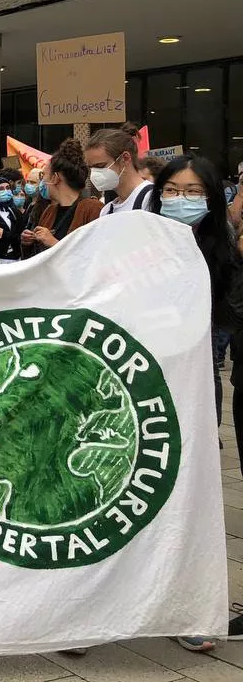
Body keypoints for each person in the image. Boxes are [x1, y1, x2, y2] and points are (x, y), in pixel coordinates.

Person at [150, 156, 236, 653]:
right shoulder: (137, 243)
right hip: (139, 381)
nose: (183, 199)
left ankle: (190, 605)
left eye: (194, 190)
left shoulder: (222, 251)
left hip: (196, 382)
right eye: (173, 189)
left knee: (191, 493)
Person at [20, 139, 101, 258]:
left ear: (55, 178)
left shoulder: (93, 209)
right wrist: (28, 243)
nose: (42, 182)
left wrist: (54, 243)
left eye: (44, 175)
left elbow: (96, 257)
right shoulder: (49, 211)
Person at [86, 126, 153, 216]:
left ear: (125, 158)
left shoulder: (151, 198)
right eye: (91, 168)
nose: (95, 173)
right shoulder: (106, 211)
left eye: (100, 166)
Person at [0, 175, 25, 263]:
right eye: (1, 189)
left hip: (16, 258)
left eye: (7, 188)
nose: (6, 191)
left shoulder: (15, 212)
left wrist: (5, 234)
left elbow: (20, 236)